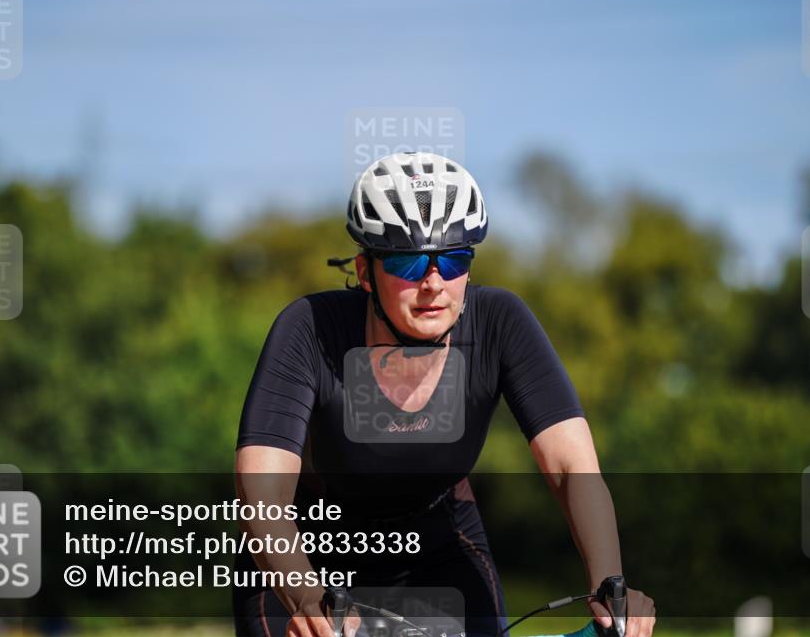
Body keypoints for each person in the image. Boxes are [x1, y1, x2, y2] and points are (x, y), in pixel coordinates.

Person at [233, 152, 655, 637]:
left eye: (453, 259)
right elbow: (262, 490)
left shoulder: (501, 322)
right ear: (366, 271)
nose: (434, 283)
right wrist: (307, 598)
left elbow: (570, 468)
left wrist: (611, 590)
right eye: (409, 263)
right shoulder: (309, 327)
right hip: (306, 546)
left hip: (437, 536)